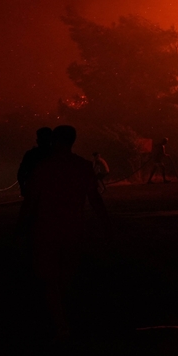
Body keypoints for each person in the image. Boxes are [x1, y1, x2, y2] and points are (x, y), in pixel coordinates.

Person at [20, 125, 108, 341]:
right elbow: (95, 199)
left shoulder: (43, 167)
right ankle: (66, 317)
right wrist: (108, 225)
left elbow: (30, 202)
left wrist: (20, 229)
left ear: (54, 141)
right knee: (66, 276)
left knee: (50, 279)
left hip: (46, 230)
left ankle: (60, 324)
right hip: (73, 229)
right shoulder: (84, 166)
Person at [17, 127, 54, 200]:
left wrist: (23, 187)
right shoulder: (56, 154)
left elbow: (21, 173)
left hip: (34, 190)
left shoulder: (31, 154)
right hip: (50, 191)